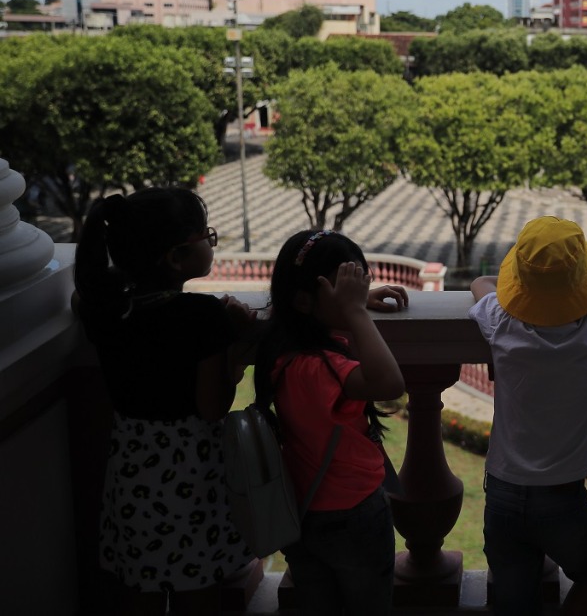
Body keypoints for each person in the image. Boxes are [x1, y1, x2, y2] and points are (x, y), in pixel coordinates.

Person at [74, 187, 258, 615]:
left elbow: (82, 298)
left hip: (133, 469)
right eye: (206, 237)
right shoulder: (203, 316)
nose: (211, 243)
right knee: (197, 588)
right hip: (189, 472)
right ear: (176, 256)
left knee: (140, 586)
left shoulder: (105, 311)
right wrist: (236, 353)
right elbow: (211, 407)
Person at [469, 216, 587, 615]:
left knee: (514, 599)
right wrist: (579, 281)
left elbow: (481, 286)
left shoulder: (501, 320)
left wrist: (523, 283)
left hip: (504, 491)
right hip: (563, 497)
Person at [253, 229, 409, 616]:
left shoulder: (280, 347)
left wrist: (347, 306)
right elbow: (390, 384)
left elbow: (299, 310)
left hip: (303, 510)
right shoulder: (319, 369)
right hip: (353, 512)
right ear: (307, 301)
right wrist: (355, 312)